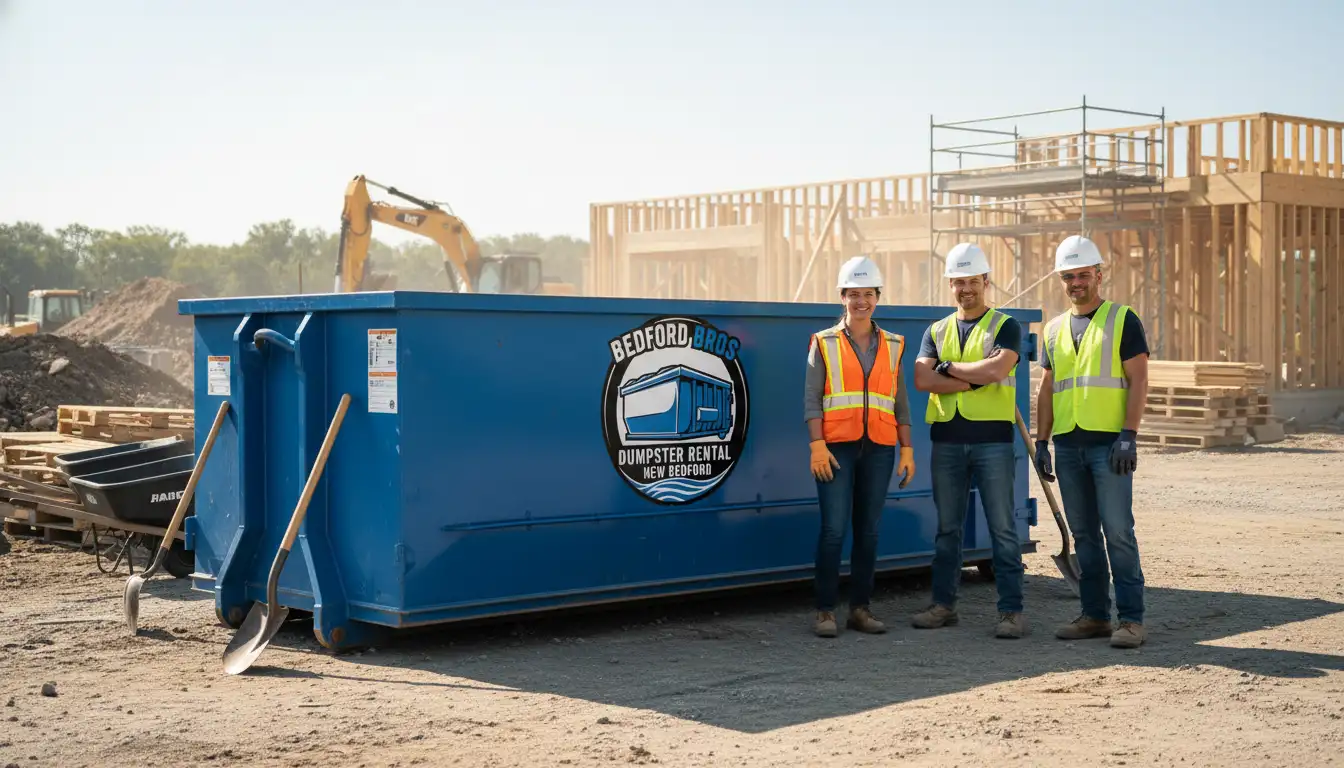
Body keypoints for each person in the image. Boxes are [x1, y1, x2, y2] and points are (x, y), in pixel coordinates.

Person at [1034, 234, 1149, 649]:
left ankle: (1131, 620)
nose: (1076, 282)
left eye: (1083, 274)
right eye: (1069, 276)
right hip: (1068, 446)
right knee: (1083, 535)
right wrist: (1041, 441)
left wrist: (1129, 436)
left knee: (1118, 531)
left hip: (1109, 445)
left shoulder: (1123, 319)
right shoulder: (1053, 329)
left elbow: (1138, 380)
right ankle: (1095, 616)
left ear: (1099, 274)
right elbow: (1047, 388)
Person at [909, 243, 1027, 639]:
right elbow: (922, 379)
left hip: (992, 441)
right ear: (950, 285)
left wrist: (948, 369)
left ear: (986, 282)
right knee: (947, 529)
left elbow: (996, 369)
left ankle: (1011, 612)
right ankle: (944, 605)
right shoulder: (936, 330)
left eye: (972, 281)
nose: (966, 289)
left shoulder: (1006, 325)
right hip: (947, 440)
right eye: (958, 282)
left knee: (1002, 528)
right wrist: (965, 378)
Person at [803, 255, 916, 638]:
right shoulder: (824, 342)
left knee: (868, 531)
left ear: (878, 297)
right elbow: (812, 398)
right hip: (836, 449)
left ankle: (860, 609)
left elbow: (900, 401)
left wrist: (907, 449)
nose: (861, 301)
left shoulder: (895, 345)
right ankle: (824, 611)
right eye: (853, 294)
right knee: (834, 530)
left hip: (880, 448)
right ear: (842, 297)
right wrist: (817, 445)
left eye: (868, 293)